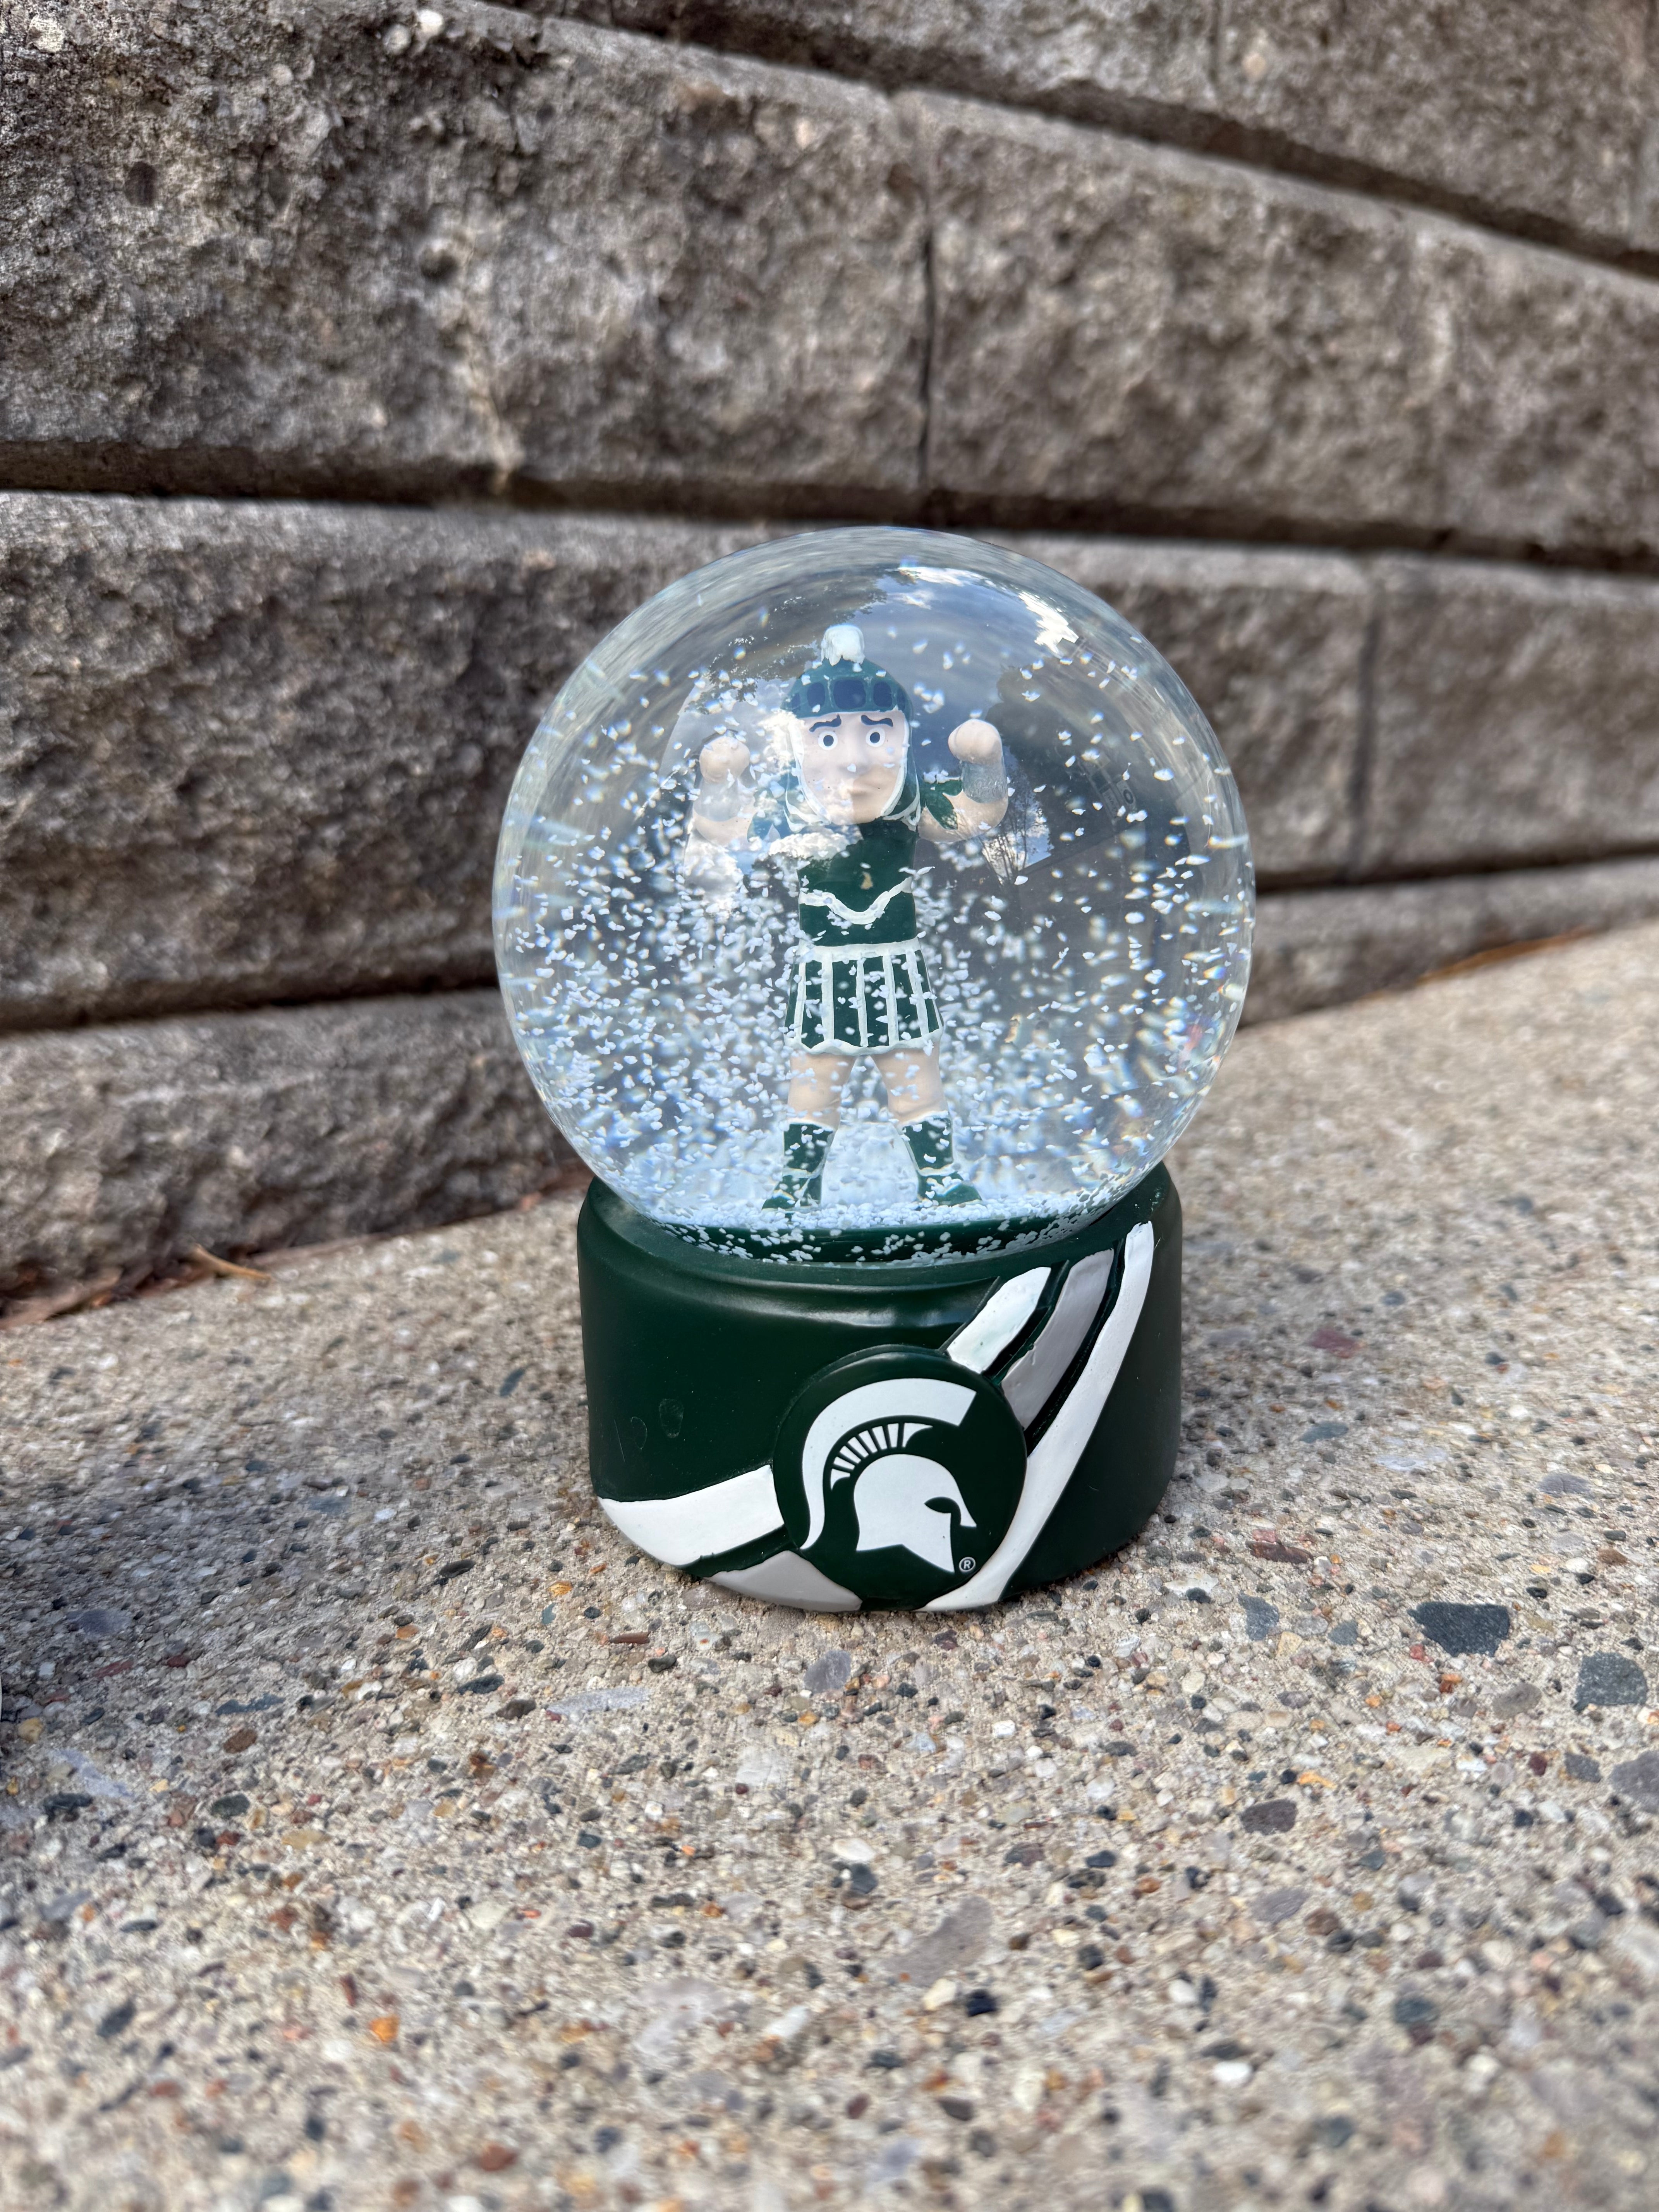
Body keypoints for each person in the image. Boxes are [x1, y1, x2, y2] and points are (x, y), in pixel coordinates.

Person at [690, 623, 1009, 1211]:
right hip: (827, 971)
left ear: (903, 737)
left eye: (878, 734)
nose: (857, 759)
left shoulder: (910, 794)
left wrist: (984, 762)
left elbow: (977, 814)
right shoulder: (788, 802)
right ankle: (798, 1180)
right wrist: (718, 779)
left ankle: (938, 1176)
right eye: (830, 739)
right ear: (798, 744)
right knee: (815, 1084)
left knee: (914, 1077)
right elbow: (724, 830)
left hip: (896, 966)